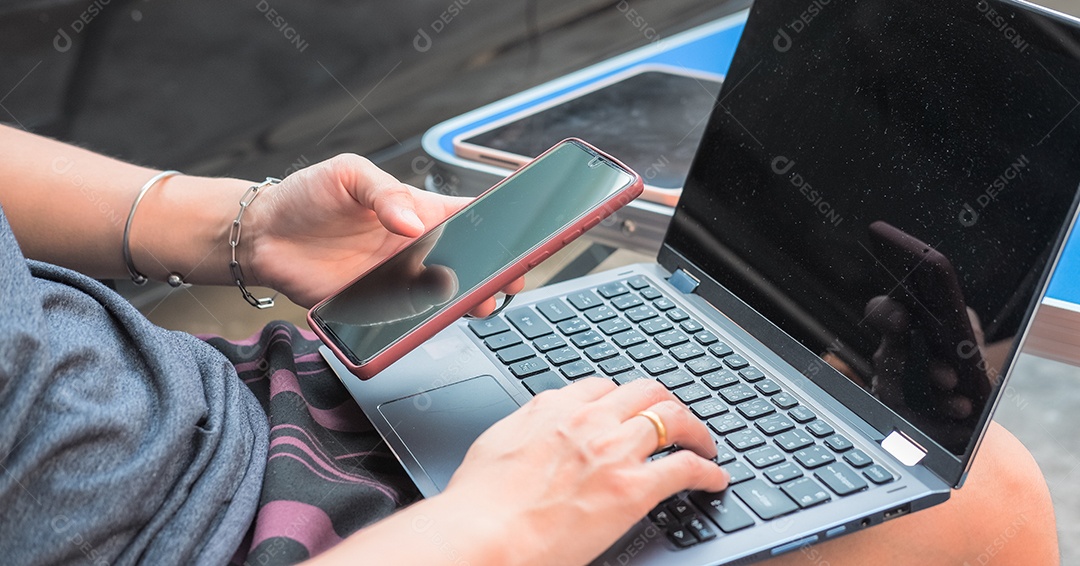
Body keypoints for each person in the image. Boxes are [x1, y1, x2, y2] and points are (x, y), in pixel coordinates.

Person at [0, 124, 1058, 565]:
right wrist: (497, 527)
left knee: (821, 417)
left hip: (206, 405)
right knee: (980, 499)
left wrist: (239, 223)